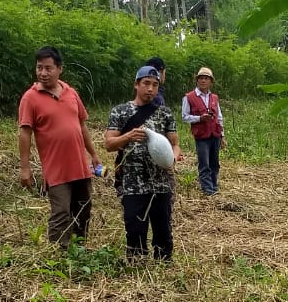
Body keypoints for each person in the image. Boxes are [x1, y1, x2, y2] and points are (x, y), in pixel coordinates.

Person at [18, 46, 102, 248]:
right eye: (39, 68)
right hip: (56, 169)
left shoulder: (71, 93)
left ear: (59, 69)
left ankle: (79, 248)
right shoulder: (30, 98)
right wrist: (25, 167)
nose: (43, 73)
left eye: (48, 68)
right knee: (61, 211)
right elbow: (25, 133)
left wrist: (93, 154)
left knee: (83, 208)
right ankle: (58, 253)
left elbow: (81, 125)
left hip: (79, 165)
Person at [105, 65, 181, 260]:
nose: (150, 89)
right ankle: (137, 261)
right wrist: (128, 136)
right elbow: (109, 144)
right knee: (135, 227)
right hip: (132, 183)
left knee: (163, 226)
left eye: (155, 85)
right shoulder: (120, 112)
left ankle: (164, 260)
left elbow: (175, 144)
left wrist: (172, 158)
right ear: (136, 85)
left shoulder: (165, 113)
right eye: (146, 83)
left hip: (161, 182)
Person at [181, 67, 224, 196]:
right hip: (201, 136)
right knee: (204, 163)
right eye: (201, 78)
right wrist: (199, 118)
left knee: (214, 163)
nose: (203, 81)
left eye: (206, 78)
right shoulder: (189, 97)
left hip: (215, 134)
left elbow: (219, 117)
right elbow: (184, 116)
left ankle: (214, 186)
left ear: (211, 81)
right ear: (197, 80)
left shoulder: (214, 98)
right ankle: (208, 190)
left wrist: (223, 135)